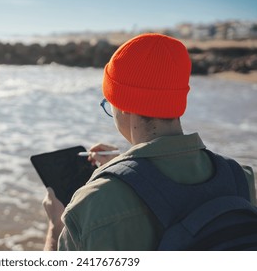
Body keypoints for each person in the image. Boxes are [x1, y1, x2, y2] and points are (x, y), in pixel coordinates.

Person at [42, 33, 256, 251]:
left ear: (123, 104)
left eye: (110, 102)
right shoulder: (242, 179)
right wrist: (128, 171)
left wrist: (56, 226)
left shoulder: (91, 205)